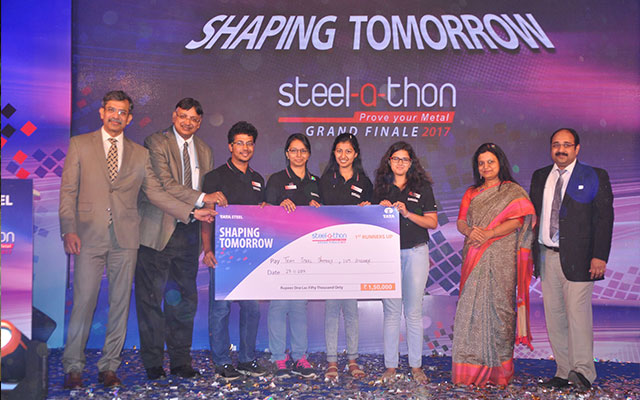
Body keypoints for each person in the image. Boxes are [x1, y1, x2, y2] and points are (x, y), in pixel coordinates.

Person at [59, 91, 216, 389]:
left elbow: (154, 192)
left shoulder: (139, 153)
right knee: (83, 303)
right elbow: (68, 191)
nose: (116, 116)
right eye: (111, 110)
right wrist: (69, 229)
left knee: (120, 305)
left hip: (127, 237)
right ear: (102, 112)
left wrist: (191, 213)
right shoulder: (80, 144)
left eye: (122, 112)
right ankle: (74, 367)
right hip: (89, 235)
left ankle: (109, 367)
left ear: (130, 118)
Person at [135, 98, 217, 380]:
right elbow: (164, 185)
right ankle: (153, 363)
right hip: (157, 232)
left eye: (194, 119)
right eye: (183, 116)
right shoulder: (156, 142)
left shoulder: (205, 150)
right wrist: (202, 199)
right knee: (150, 300)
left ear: (200, 122)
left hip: (188, 233)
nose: (187, 122)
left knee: (184, 302)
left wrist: (202, 212)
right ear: (174, 116)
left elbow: (207, 191)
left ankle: (181, 361)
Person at [530, 128, 613, 391]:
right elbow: (534, 217)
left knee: (578, 316)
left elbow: (604, 219)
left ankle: (584, 372)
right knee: (554, 317)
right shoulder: (540, 176)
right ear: (550, 148)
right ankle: (563, 371)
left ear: (577, 148)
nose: (561, 149)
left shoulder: (595, 175)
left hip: (582, 258)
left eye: (567, 144)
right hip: (547, 256)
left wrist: (599, 256)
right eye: (556, 144)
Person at [451, 143, 536, 386]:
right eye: (481, 163)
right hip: (475, 253)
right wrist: (471, 231)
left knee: (501, 310)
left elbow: (518, 221)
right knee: (470, 310)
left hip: (501, 257)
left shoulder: (512, 191)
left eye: (490, 162)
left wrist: (489, 233)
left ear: (500, 163)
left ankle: (499, 372)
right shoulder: (471, 193)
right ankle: (469, 370)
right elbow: (460, 221)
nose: (486, 167)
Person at [200, 121, 268, 381]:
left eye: (249, 143)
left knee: (252, 310)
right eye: (240, 143)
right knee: (220, 310)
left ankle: (247, 360)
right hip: (223, 255)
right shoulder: (214, 177)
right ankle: (221, 362)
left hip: (250, 257)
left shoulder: (258, 180)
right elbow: (207, 217)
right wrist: (207, 249)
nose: (245, 148)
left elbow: (262, 219)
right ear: (230, 146)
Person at [372, 141, 438, 384]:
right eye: (395, 158)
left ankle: (416, 366)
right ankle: (390, 366)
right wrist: (377, 209)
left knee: (413, 312)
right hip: (386, 255)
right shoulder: (380, 188)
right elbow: (368, 222)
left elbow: (432, 222)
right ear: (389, 161)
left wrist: (408, 213)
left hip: (416, 252)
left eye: (404, 159)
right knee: (391, 313)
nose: (400, 163)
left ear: (411, 163)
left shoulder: (422, 187)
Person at [265, 133, 320, 379]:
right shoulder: (276, 180)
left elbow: (328, 216)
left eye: (303, 151)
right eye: (294, 150)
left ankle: (300, 357)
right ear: (287, 153)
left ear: (309, 154)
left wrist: (319, 210)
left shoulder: (316, 182)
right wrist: (278, 206)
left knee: (299, 306)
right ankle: (278, 357)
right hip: (280, 250)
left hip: (306, 252)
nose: (298, 155)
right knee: (278, 305)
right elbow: (264, 212)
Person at [318, 133, 371, 380]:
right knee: (331, 308)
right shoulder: (325, 180)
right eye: (339, 150)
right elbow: (316, 214)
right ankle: (331, 361)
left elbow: (372, 219)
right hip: (329, 253)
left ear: (356, 154)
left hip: (353, 254)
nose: (343, 155)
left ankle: (352, 360)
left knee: (351, 310)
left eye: (348, 151)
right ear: (334, 153)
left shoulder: (365, 182)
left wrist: (367, 210)